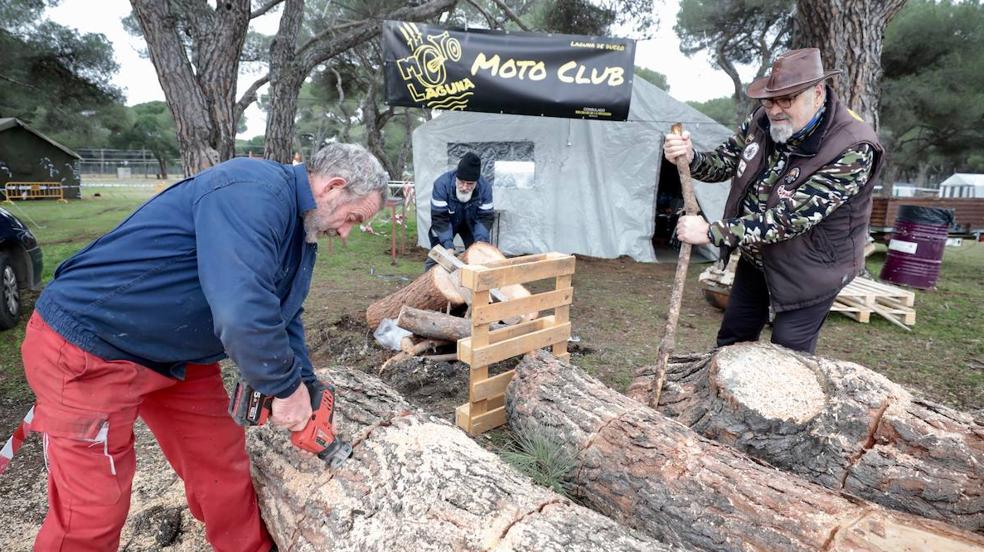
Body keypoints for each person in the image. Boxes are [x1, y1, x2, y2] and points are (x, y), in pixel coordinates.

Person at [21, 143, 387, 551]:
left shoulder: (300, 230)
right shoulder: (252, 191)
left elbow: (283, 314)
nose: (346, 231)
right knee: (91, 508)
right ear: (334, 186)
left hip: (176, 355)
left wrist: (305, 382)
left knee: (221, 466)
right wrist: (285, 391)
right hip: (91, 345)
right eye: (353, 217)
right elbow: (240, 309)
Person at [663, 48, 884, 354]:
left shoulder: (853, 147)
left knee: (788, 354)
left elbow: (790, 218)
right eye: (769, 100)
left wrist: (713, 232)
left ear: (817, 93)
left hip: (813, 269)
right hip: (758, 259)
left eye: (787, 99)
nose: (775, 110)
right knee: (732, 340)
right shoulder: (760, 121)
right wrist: (690, 158)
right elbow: (724, 163)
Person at [425, 152, 494, 268]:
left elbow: (485, 218)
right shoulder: (441, 185)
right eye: (461, 182)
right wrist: (448, 246)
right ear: (456, 177)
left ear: (476, 182)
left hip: (472, 224)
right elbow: (440, 219)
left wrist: (480, 243)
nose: (465, 187)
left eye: (470, 184)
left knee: (478, 255)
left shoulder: (485, 188)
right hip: (446, 222)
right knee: (438, 258)